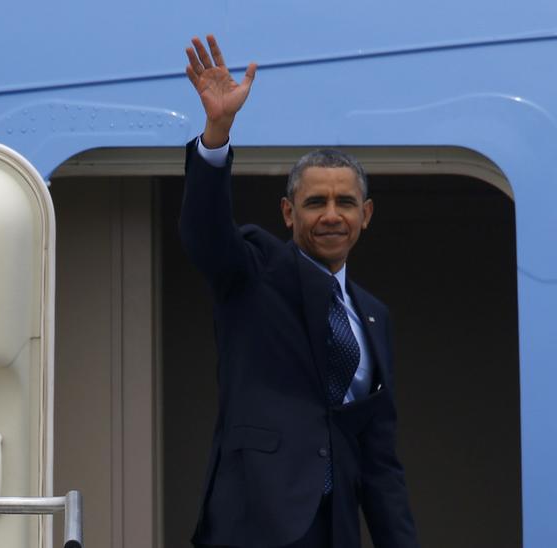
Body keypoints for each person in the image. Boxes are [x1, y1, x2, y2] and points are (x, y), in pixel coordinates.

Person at [180, 35, 420, 548]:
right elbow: (205, 235)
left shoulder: (374, 316)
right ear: (289, 213)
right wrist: (216, 135)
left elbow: (380, 463)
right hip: (252, 523)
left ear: (365, 215)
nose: (331, 215)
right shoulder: (254, 269)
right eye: (315, 202)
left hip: (334, 529)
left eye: (345, 202)